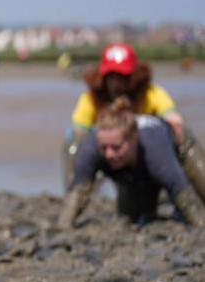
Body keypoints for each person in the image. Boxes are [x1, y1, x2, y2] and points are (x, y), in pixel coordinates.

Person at [63, 43, 204, 199]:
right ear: (102, 77)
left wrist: (172, 129)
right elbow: (78, 132)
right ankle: (74, 194)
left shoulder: (151, 94)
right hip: (118, 163)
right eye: (111, 77)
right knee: (73, 142)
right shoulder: (91, 100)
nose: (117, 84)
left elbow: (174, 120)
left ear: (135, 76)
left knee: (183, 136)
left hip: (148, 157)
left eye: (122, 77)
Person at [58, 97, 205, 229]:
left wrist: (199, 224)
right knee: (132, 218)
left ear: (134, 140)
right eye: (104, 148)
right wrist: (64, 225)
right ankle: (163, 199)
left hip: (180, 147)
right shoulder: (92, 148)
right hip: (131, 172)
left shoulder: (155, 151)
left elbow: (183, 193)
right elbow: (78, 192)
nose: (109, 154)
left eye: (116, 148)